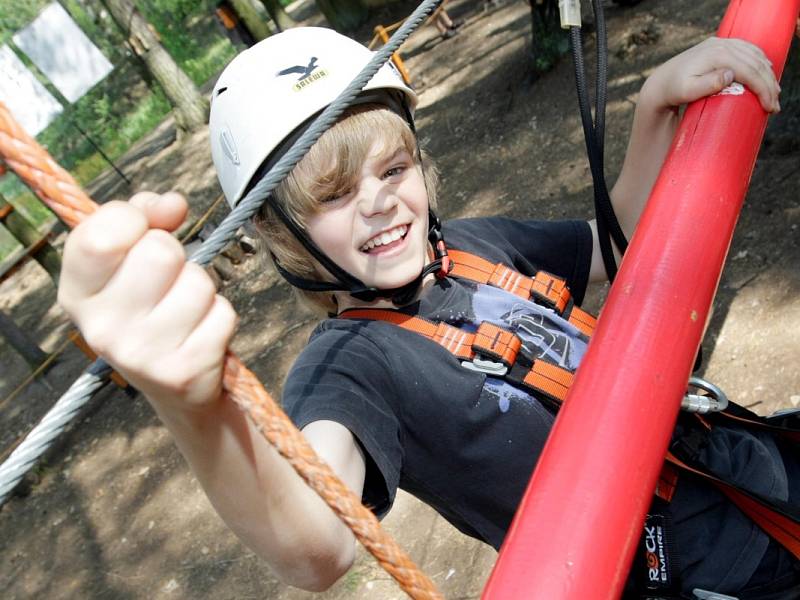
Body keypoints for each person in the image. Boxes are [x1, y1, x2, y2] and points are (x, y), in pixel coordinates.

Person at [58, 26, 795, 599]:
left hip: (739, 457)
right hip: (703, 568)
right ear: (281, 233)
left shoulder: (472, 244)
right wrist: (196, 408)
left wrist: (654, 105)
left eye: (393, 167)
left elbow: (613, 244)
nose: (378, 201)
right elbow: (319, 542)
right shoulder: (351, 369)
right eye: (333, 195)